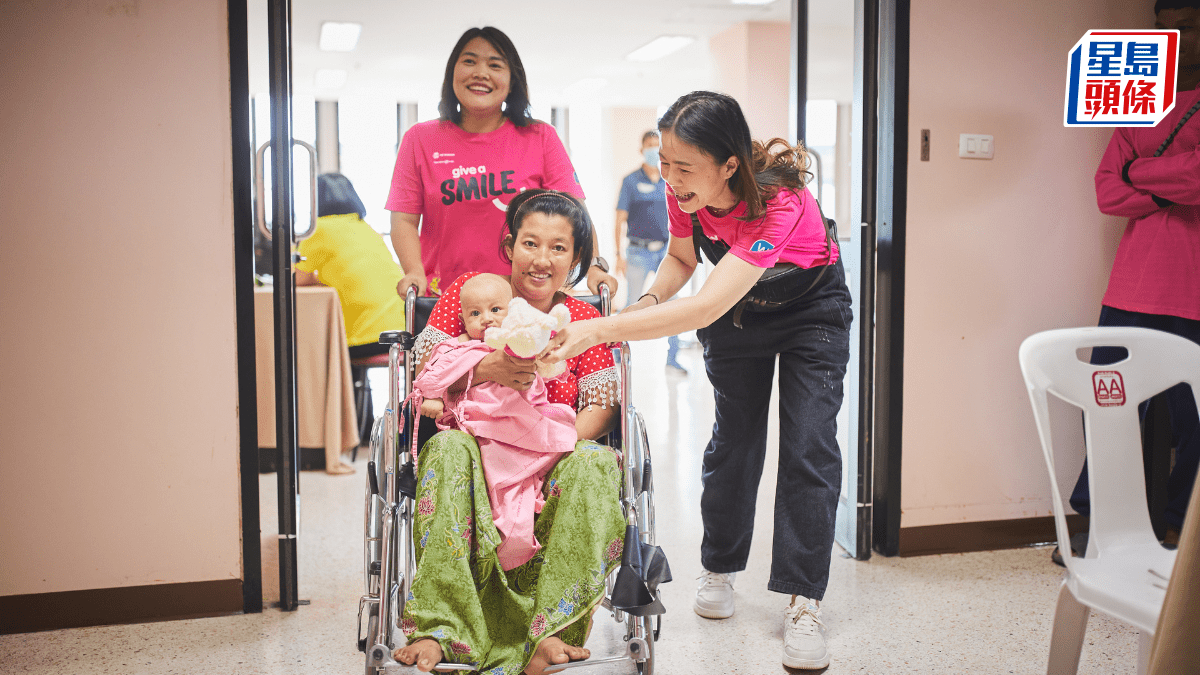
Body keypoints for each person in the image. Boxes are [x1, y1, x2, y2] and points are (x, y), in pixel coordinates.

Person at [543, 91, 851, 671]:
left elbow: (706, 305)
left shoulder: (780, 204)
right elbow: (683, 260)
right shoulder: (683, 191)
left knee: (809, 445)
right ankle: (720, 568)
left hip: (811, 311)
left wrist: (600, 329)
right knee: (734, 441)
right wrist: (647, 302)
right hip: (741, 313)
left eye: (684, 166)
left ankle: (803, 600)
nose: (670, 177)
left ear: (728, 165)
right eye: (665, 162)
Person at [393, 190, 624, 675]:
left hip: (552, 453)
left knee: (595, 461)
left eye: (558, 248)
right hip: (475, 452)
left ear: (576, 258)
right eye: (530, 243)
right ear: (510, 245)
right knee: (447, 448)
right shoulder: (471, 293)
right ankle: (441, 629)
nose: (542, 260)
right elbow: (425, 373)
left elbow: (601, 406)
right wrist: (486, 370)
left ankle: (552, 631)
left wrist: (540, 449)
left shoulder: (584, 319)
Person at [1063, 0, 1200, 558]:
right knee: (1107, 408)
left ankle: (1181, 529)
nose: (1173, 37)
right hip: (1131, 286)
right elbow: (1107, 191)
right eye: (1163, 27)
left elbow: (1195, 177)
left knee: (1194, 420)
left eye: (1185, 26)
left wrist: (1138, 171)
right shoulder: (1140, 99)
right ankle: (1102, 525)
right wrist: (1170, 182)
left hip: (1192, 290)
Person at [385, 26, 616, 299]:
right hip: (443, 298)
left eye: (495, 65)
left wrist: (595, 267)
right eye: (469, 61)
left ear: (512, 80)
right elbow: (404, 220)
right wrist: (414, 271)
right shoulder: (420, 139)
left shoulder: (540, 137)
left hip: (524, 300)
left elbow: (575, 211)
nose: (481, 73)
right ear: (452, 73)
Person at [411, 273, 578, 571]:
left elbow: (544, 367)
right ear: (463, 320)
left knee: (541, 450)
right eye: (475, 313)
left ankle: (519, 519)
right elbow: (434, 372)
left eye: (495, 310)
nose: (486, 318)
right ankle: (508, 531)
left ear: (512, 311)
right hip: (479, 425)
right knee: (498, 480)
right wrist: (434, 397)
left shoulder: (516, 340)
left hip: (518, 418)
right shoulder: (458, 346)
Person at [294, 173, 406, 474]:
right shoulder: (365, 228)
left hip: (364, 339)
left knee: (317, 353)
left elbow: (297, 278)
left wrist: (318, 278)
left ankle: (330, 435)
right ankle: (362, 427)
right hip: (399, 331)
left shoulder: (318, 230)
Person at [615, 130, 686, 374]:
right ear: (642, 149)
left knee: (673, 305)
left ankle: (673, 359)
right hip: (638, 252)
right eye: (650, 145)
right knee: (631, 304)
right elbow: (619, 220)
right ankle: (615, 357)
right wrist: (619, 255)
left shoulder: (670, 180)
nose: (654, 150)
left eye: (658, 146)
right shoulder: (631, 181)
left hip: (666, 252)